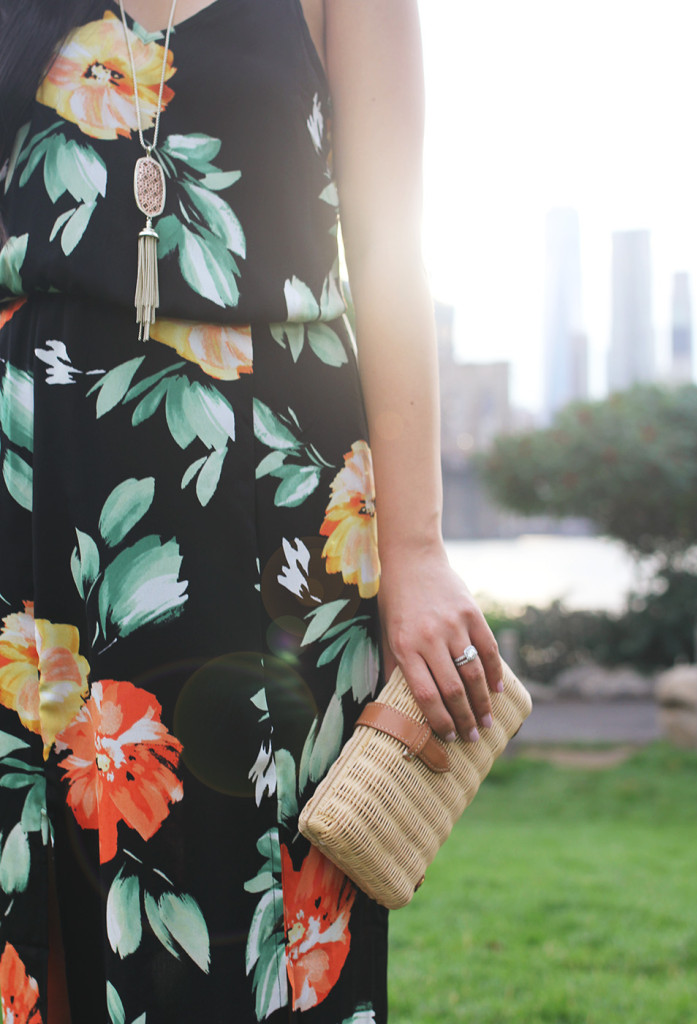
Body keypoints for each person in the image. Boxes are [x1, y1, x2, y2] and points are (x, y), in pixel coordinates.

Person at [0, 0, 503, 1020]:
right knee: (36, 880)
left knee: (260, 889)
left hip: (278, 485)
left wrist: (415, 548)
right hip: (29, 467)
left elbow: (389, 249)